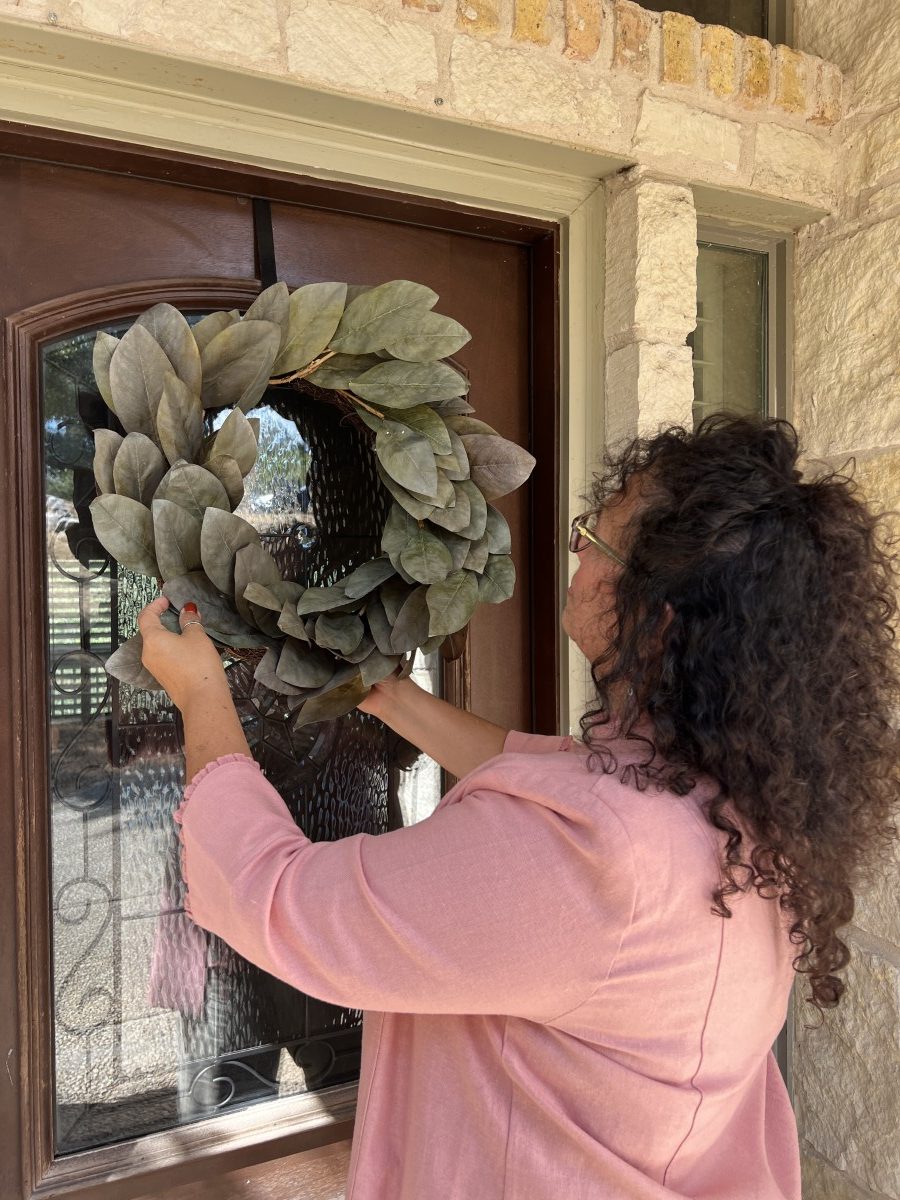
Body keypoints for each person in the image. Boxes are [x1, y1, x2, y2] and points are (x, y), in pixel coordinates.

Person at [137, 414, 899, 1200]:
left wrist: (199, 692)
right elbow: (533, 769)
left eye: (594, 544)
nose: (575, 554)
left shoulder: (598, 856)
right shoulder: (728, 800)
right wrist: (386, 696)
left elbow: (276, 895)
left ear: (658, 617)